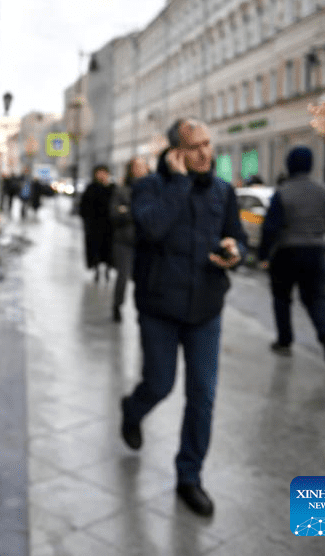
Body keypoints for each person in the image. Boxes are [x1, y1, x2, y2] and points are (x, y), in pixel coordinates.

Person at [120, 118, 247, 518]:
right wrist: (178, 183)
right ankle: (133, 409)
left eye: (208, 144)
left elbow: (236, 236)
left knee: (203, 396)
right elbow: (152, 229)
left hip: (206, 306)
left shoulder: (224, 192)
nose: (205, 153)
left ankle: (189, 476)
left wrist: (234, 250)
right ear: (175, 152)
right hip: (160, 306)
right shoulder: (149, 188)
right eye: (194, 146)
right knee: (160, 384)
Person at [257, 146, 325, 366]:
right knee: (317, 298)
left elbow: (270, 227)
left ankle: (284, 341)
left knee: (281, 298)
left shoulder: (283, 192)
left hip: (286, 252)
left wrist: (263, 254)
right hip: (315, 252)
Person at [109, 156, 150, 322]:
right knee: (123, 277)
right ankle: (117, 306)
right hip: (124, 241)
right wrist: (132, 212)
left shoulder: (152, 189)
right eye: (137, 167)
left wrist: (127, 210)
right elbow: (114, 213)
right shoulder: (122, 190)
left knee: (145, 281)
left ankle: (144, 312)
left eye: (143, 166)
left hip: (145, 242)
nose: (140, 170)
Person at [78, 165, 114, 282]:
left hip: (109, 226)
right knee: (95, 248)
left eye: (104, 172)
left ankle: (108, 268)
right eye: (99, 173)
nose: (101, 175)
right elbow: (84, 207)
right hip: (94, 225)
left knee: (108, 249)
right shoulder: (91, 188)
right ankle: (96, 268)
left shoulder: (112, 188)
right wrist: (86, 220)